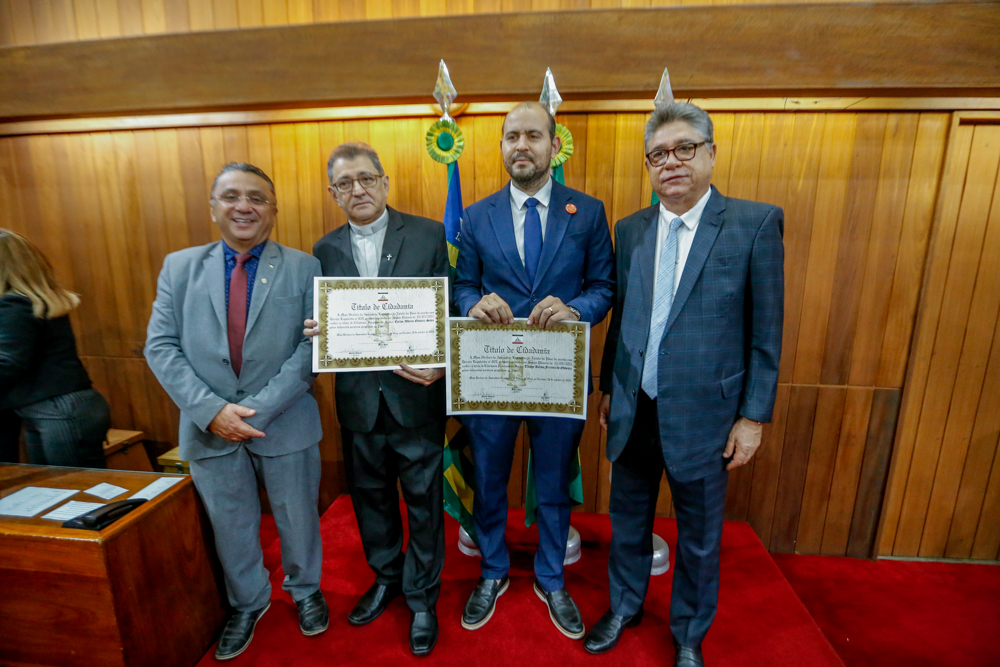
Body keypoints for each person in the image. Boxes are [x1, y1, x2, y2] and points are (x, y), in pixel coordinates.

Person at [584, 102, 784, 667]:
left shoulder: (754, 224)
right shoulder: (632, 228)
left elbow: (767, 332)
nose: (669, 162)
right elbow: (623, 319)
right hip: (633, 406)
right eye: (657, 155)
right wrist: (607, 390)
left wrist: (753, 418)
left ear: (711, 154)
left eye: (683, 149)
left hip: (707, 417)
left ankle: (690, 635)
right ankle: (624, 607)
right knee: (627, 522)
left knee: (698, 538)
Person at [145, 163, 328, 661]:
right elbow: (160, 347)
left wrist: (258, 410)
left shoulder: (305, 266)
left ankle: (306, 589)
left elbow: (313, 348)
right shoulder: (178, 267)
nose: (243, 206)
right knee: (230, 522)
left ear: (273, 210)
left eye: (256, 198)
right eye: (231, 196)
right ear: (213, 207)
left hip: (284, 419)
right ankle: (247, 602)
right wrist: (212, 411)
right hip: (209, 428)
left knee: (298, 517)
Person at [452, 102, 615, 639]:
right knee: (491, 481)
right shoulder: (475, 217)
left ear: (553, 145)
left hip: (557, 375)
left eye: (533, 136)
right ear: (501, 147)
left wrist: (576, 311)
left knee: (552, 483)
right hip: (491, 375)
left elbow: (604, 289)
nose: (521, 145)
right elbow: (462, 287)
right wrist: (473, 304)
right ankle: (493, 571)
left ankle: (551, 578)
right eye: (511, 137)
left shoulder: (587, 213)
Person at [305, 142, 448, 656]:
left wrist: (444, 362)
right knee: (371, 500)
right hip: (359, 402)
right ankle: (386, 577)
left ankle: (422, 597)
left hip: (417, 397)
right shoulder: (322, 251)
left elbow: (449, 307)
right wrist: (318, 330)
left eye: (366, 179)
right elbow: (327, 325)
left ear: (385, 182)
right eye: (345, 184)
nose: (358, 190)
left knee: (425, 504)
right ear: (333, 193)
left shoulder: (429, 234)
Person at [0, 229, 110, 469]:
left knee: (74, 493)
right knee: (60, 491)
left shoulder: (13, 303)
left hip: (58, 412)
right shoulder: (35, 299)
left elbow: (8, 363)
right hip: (64, 408)